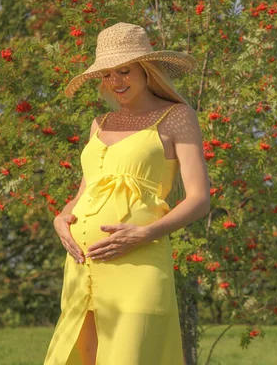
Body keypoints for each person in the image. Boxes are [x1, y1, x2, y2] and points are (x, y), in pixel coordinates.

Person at [43, 22, 211, 365]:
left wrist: (145, 233)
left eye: (124, 71)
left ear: (146, 69)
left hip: (140, 261)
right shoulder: (100, 123)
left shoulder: (177, 116)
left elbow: (199, 199)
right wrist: (61, 218)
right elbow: (87, 190)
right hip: (83, 264)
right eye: (106, 75)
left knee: (131, 356)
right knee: (78, 357)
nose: (115, 82)